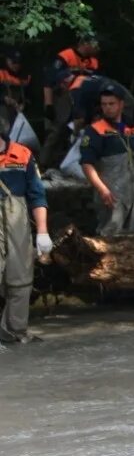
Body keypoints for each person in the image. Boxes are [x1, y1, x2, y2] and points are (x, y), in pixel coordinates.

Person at [0, 110, 53, 344]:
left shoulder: (22, 155)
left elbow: (37, 195)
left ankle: (15, 331)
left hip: (17, 219)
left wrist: (42, 232)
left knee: (20, 277)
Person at [80, 84, 134, 236]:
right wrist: (102, 189)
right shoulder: (95, 130)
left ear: (121, 104)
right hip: (111, 188)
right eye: (104, 104)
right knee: (110, 231)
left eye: (111, 104)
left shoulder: (132, 127)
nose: (107, 108)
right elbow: (86, 163)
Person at [40, 33, 101, 168]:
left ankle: (67, 163)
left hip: (82, 99)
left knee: (77, 131)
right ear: (85, 44)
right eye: (95, 45)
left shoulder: (94, 62)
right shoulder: (65, 56)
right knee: (56, 131)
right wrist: (49, 104)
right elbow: (49, 81)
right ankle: (43, 164)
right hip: (62, 97)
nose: (98, 49)